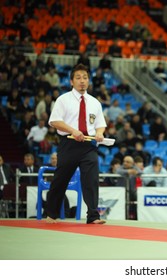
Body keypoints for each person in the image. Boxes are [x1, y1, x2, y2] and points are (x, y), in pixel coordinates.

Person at [45, 64, 107, 224]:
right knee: (61, 179)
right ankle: (51, 214)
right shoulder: (63, 99)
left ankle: (93, 216)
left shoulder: (94, 102)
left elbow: (100, 123)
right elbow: (54, 121)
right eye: (78, 78)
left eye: (85, 78)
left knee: (91, 179)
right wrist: (73, 130)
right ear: (71, 81)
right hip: (69, 143)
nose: (82, 81)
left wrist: (99, 133)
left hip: (89, 145)